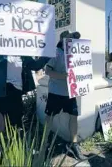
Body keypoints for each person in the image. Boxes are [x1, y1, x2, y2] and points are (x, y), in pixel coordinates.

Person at [44, 31, 86, 160]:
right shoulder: (56, 52)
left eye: (72, 39)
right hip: (55, 92)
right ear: (63, 39)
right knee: (50, 117)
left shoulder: (75, 54)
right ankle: (44, 144)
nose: (71, 40)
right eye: (69, 38)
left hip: (70, 92)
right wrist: (65, 76)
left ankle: (73, 144)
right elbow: (48, 71)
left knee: (74, 116)